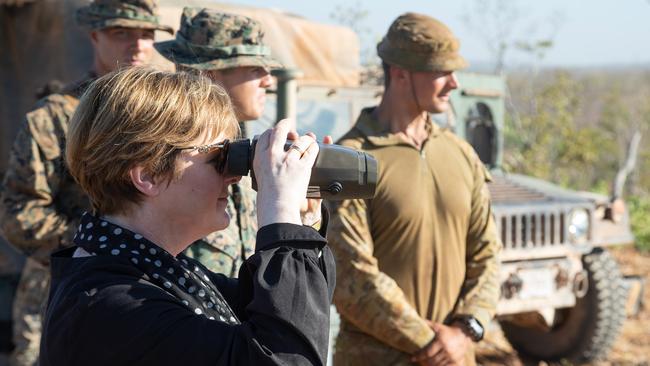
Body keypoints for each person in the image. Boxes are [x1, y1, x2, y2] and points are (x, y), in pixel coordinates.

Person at [39, 66, 335, 366]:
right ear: (149, 174)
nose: (234, 178)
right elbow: (284, 357)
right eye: (219, 158)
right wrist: (279, 213)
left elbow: (294, 315)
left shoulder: (155, 270)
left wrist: (300, 222)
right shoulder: (108, 308)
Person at [0, 1, 172, 364]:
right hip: (60, 292)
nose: (137, 45)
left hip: (148, 292)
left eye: (147, 34)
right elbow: (19, 212)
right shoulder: (54, 118)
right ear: (95, 35)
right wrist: (94, 243)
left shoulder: (162, 119)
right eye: (121, 33)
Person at [327, 12, 502, 366]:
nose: (454, 83)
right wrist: (435, 344)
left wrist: (466, 329)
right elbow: (351, 275)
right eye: (440, 72)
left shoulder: (461, 154)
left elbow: (487, 253)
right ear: (400, 74)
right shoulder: (352, 160)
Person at [155, 8, 281, 276]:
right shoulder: (163, 153)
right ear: (210, 75)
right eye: (255, 68)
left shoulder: (246, 149)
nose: (268, 80)